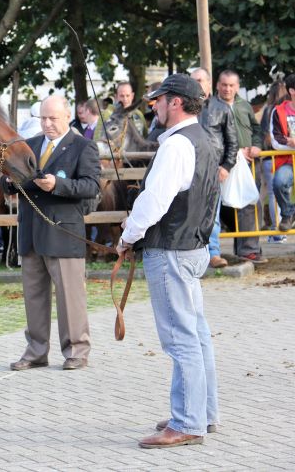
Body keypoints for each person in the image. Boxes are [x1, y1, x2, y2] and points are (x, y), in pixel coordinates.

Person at [116, 73, 219, 449]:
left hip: (172, 251)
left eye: (159, 99)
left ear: (175, 102)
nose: (154, 105)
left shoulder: (176, 146)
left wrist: (128, 235)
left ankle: (189, 422)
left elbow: (154, 202)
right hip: (193, 247)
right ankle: (202, 412)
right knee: (197, 336)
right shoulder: (205, 141)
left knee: (181, 340)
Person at [2, 95, 100, 371]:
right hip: (31, 233)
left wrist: (58, 184)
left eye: (52, 118)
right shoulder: (29, 146)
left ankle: (76, 350)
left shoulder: (83, 147)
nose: (47, 124)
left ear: (67, 116)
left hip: (63, 234)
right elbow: (8, 178)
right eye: (43, 118)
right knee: (34, 295)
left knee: (70, 297)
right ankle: (36, 351)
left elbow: (91, 186)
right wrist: (9, 182)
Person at [216, 69, 267, 263]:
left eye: (231, 85)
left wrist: (257, 145)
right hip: (223, 165)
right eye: (224, 84)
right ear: (218, 85)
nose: (228, 89)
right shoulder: (211, 108)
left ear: (237, 86)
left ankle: (249, 250)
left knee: (250, 204)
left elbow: (256, 130)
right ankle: (212, 252)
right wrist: (233, 153)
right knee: (224, 208)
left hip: (248, 165)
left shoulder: (244, 106)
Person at [190, 67, 238, 268]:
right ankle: (192, 254)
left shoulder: (222, 108)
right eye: (194, 80)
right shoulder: (182, 107)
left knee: (212, 214)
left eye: (201, 80)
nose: (198, 84)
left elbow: (232, 143)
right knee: (190, 213)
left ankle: (213, 254)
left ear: (210, 84)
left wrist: (226, 166)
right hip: (187, 169)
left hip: (213, 170)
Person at [259, 81, 288, 241]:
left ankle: (276, 229)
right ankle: (278, 229)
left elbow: (266, 136)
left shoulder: (268, 110)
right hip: (281, 157)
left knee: (272, 194)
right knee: (278, 194)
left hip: (270, 157)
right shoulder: (283, 111)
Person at [270, 73, 295, 231]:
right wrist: (290, 143)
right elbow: (276, 141)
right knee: (278, 182)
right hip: (286, 161)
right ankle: (287, 213)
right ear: (292, 91)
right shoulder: (278, 111)